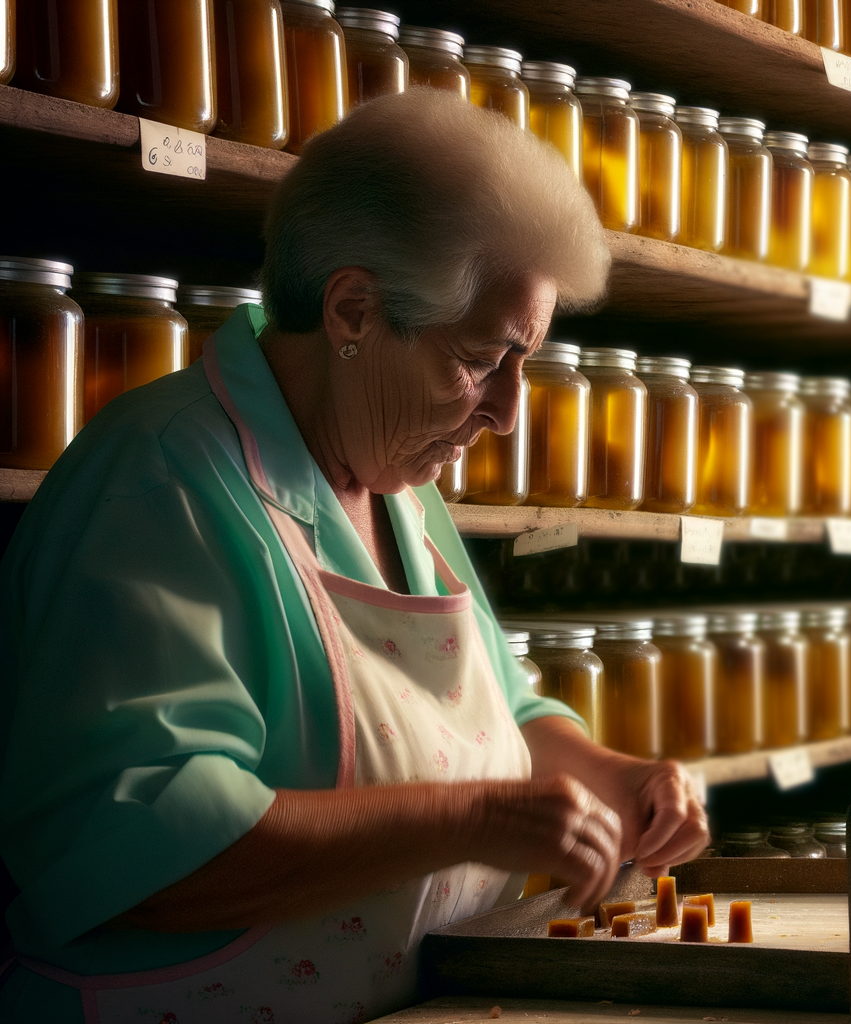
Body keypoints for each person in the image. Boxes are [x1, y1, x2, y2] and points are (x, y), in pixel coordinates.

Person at [0, 90, 708, 1022]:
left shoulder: (400, 487)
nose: (508, 411)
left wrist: (611, 774)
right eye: (481, 357)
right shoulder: (160, 478)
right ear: (355, 311)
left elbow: (499, 705)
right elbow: (134, 844)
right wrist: (473, 818)